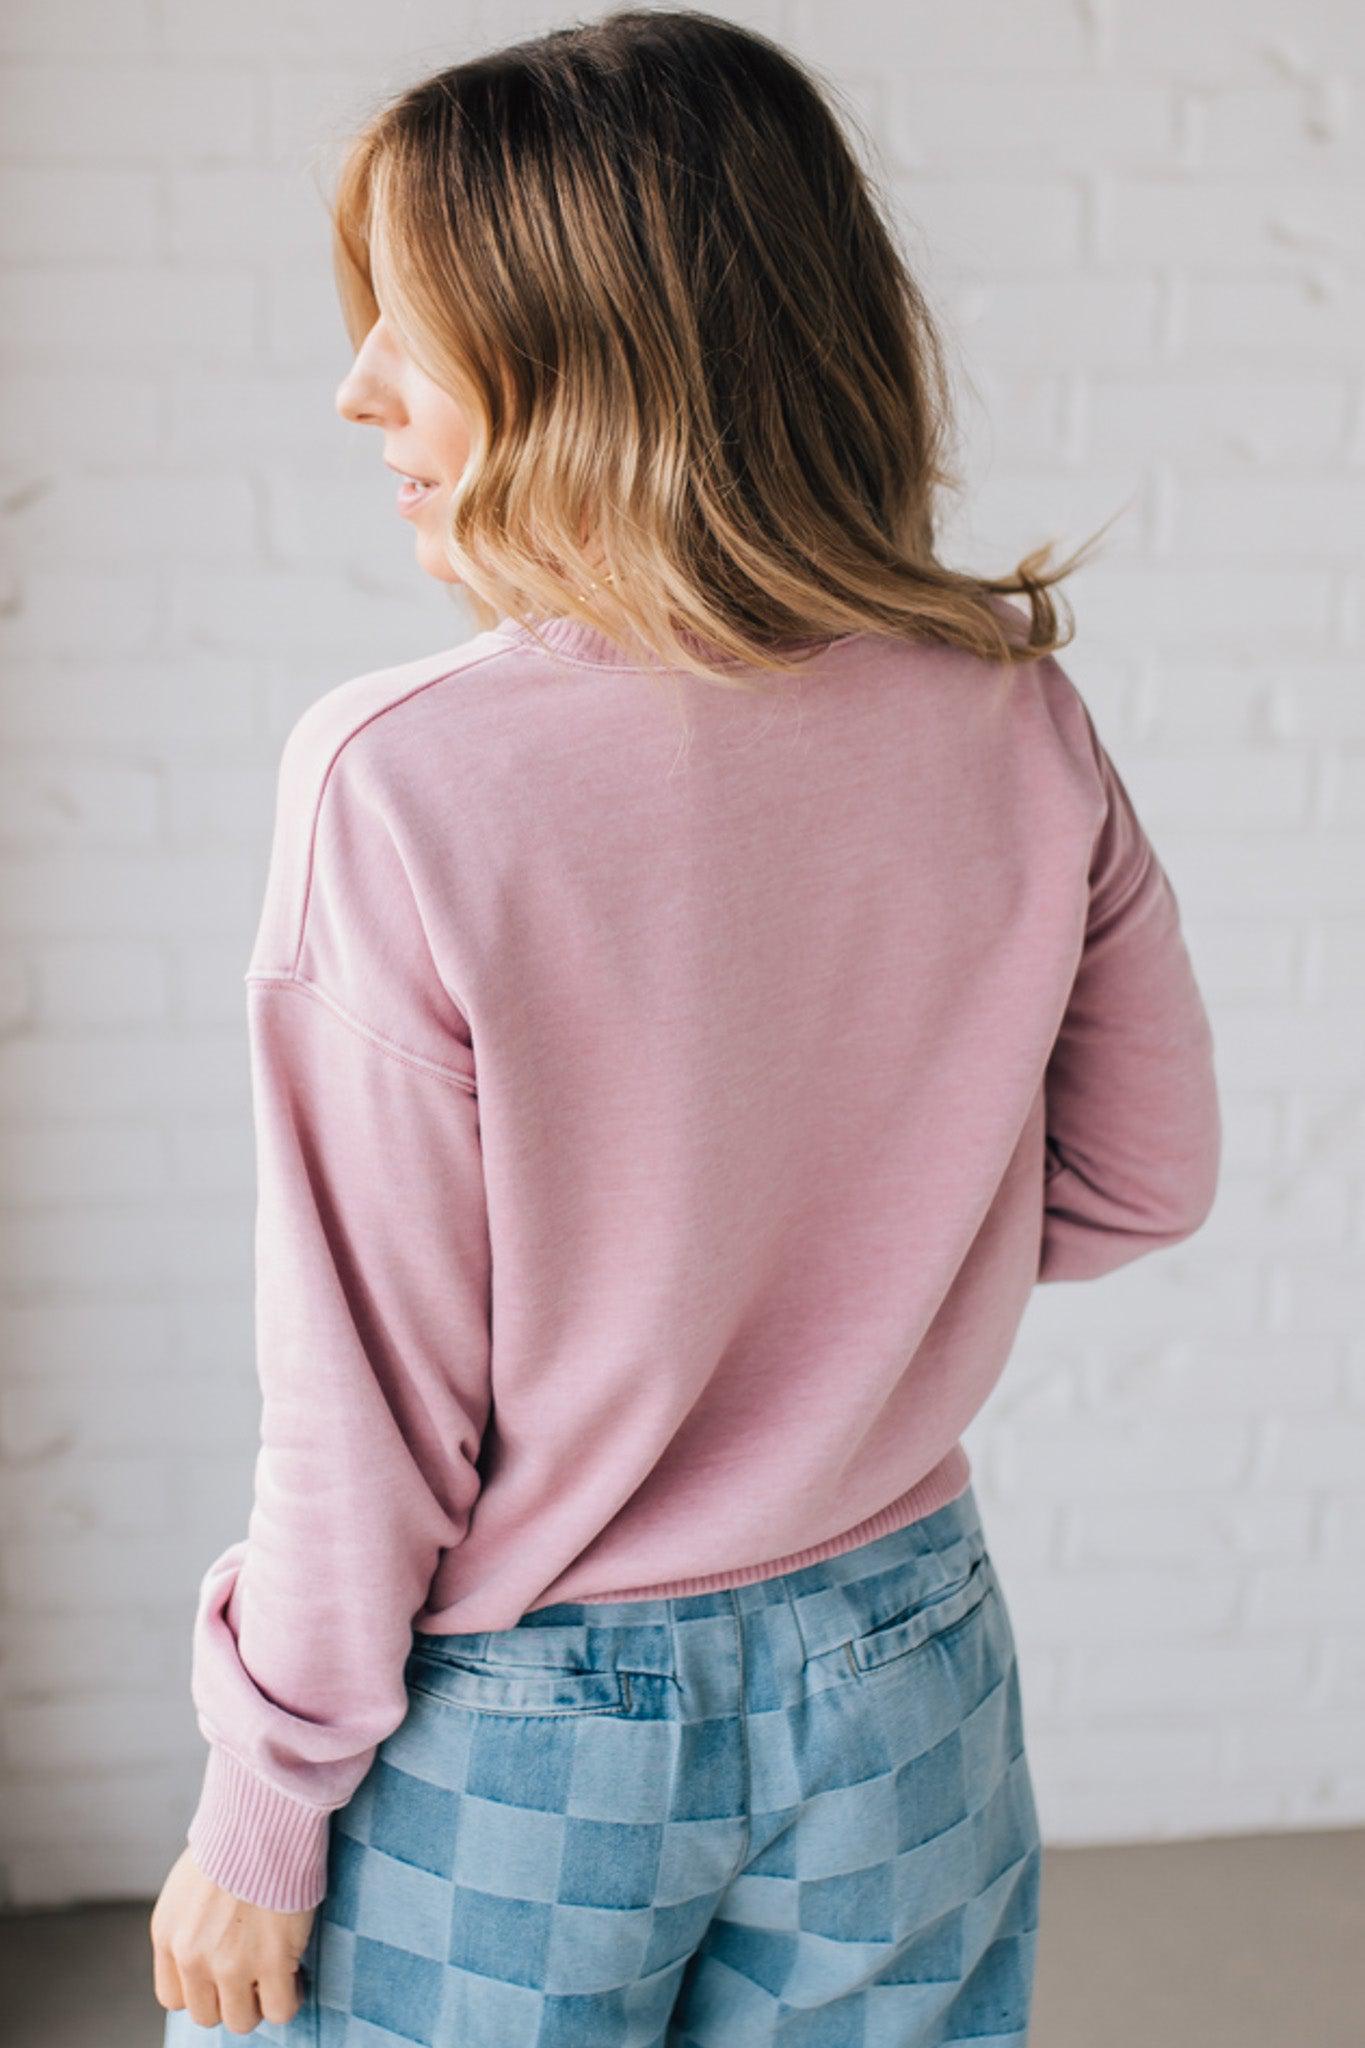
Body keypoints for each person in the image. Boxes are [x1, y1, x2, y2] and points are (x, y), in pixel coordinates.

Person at [150, 9, 1222, 2042]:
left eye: (413, 315)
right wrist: (858, 1293)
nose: (356, 381)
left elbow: (364, 1402)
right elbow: (1145, 1177)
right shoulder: (1005, 708)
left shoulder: (398, 780)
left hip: (533, 1733)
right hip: (908, 1662)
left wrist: (259, 1812)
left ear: (592, 347)